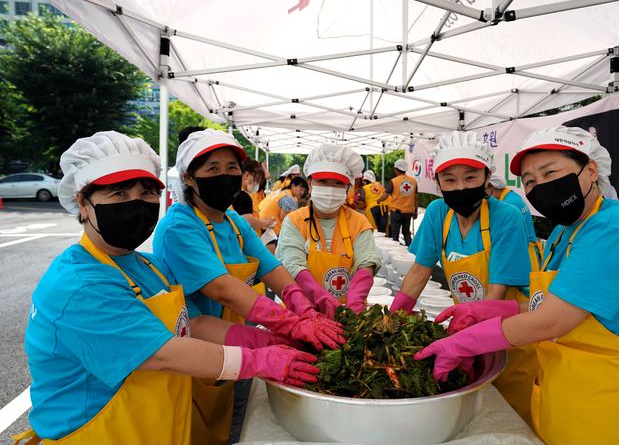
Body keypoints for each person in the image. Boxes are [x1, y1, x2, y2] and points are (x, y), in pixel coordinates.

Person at [18, 131, 320, 445]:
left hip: (155, 428)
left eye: (147, 192)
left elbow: (195, 324)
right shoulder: (79, 286)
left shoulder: (149, 267)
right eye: (119, 194)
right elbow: (162, 354)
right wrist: (259, 359)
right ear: (83, 201)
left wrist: (265, 339)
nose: (137, 203)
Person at [415, 126, 619, 444]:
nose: (540, 186)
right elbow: (551, 304)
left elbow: (552, 320)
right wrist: (498, 308)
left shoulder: (614, 231)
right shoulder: (562, 234)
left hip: (617, 416)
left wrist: (463, 343)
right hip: (564, 406)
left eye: (550, 171)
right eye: (530, 181)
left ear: (591, 169)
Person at [152, 129, 344, 444]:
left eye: (231, 168)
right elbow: (222, 289)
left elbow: (272, 269)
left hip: (228, 344)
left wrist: (305, 308)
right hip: (192, 347)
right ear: (189, 177)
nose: (225, 176)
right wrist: (289, 325)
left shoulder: (235, 223)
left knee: (226, 426)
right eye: (212, 169)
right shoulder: (180, 225)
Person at [387, 131, 533, 423]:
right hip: (468, 327)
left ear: (486, 177)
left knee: (507, 416)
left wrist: (468, 338)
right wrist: (393, 320)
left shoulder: (507, 217)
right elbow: (420, 270)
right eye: (450, 179)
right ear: (439, 183)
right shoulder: (439, 213)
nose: (460, 187)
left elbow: (497, 293)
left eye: (470, 177)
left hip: (512, 333)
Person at [275, 144, 382, 317]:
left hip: (348, 315)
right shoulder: (294, 221)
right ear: (310, 183)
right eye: (322, 181)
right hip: (301, 315)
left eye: (338, 183)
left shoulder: (359, 222)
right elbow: (293, 265)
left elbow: (366, 261)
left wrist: (354, 304)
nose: (330, 189)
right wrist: (323, 300)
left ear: (347, 188)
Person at [486, 174, 542, 271]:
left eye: (485, 190)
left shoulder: (508, 204)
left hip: (525, 253)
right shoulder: (511, 195)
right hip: (527, 249)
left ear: (492, 187)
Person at [378, 159, 418, 245]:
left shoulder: (393, 181)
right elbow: (416, 198)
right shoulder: (413, 181)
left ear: (397, 169)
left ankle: (396, 253)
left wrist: (378, 200)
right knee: (406, 232)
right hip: (408, 212)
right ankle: (409, 251)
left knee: (395, 234)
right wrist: (416, 211)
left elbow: (385, 196)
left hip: (396, 212)